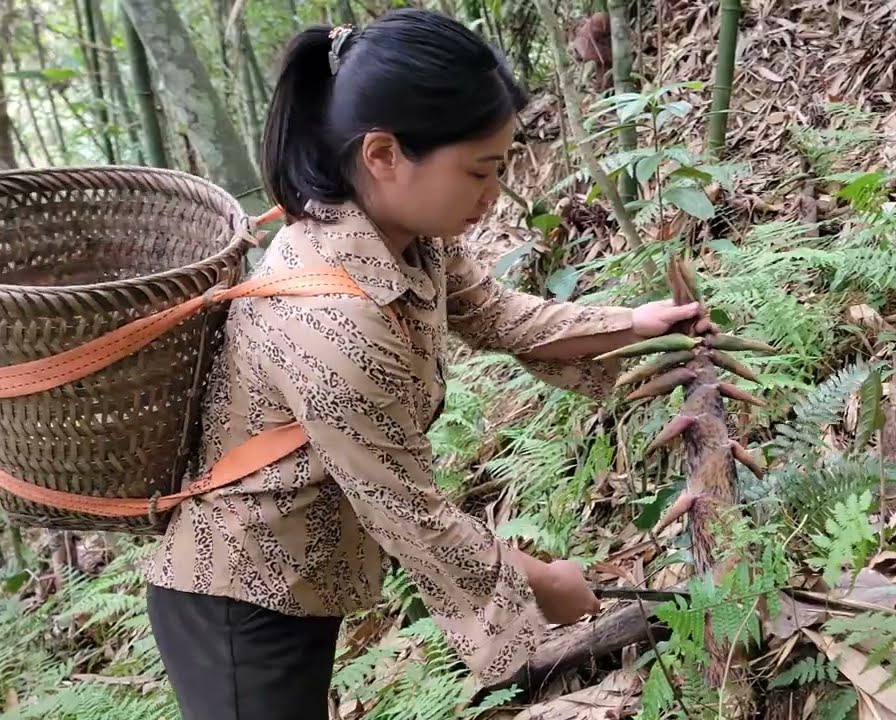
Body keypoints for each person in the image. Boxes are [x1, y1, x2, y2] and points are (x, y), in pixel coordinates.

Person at [143, 10, 712, 720]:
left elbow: (500, 315)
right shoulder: (331, 324)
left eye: (501, 168)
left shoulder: (408, 238)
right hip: (238, 597)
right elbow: (410, 513)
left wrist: (634, 324)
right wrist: (544, 583)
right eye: (478, 170)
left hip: (307, 571)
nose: (492, 194)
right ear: (383, 154)